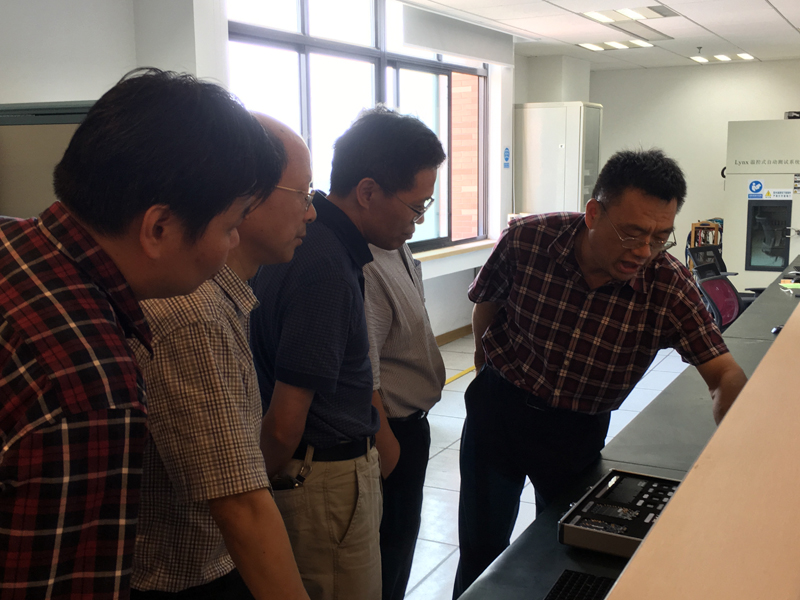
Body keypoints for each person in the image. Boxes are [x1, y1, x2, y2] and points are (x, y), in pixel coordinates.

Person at [0, 68, 279, 599]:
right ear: (159, 228)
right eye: (230, 226)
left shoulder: (13, 244)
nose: (233, 243)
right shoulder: (89, 384)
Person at [453, 148, 749, 597]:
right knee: (481, 547)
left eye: (660, 237)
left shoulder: (667, 284)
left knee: (561, 554)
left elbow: (723, 372)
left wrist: (738, 442)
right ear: (594, 213)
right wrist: (484, 367)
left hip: (575, 431)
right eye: (632, 233)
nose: (644, 251)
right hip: (499, 409)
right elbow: (487, 306)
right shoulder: (529, 239)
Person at [250, 106, 446, 600]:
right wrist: (254, 495)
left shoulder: (311, 244)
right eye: (415, 207)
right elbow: (285, 422)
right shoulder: (325, 266)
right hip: (323, 482)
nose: (419, 221)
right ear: (367, 192)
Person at [129, 115, 314, 600]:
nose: (312, 212)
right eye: (303, 195)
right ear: (245, 199)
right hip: (185, 582)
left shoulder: (223, 298)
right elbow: (239, 506)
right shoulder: (193, 312)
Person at [364, 242, 446, 600]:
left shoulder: (396, 242)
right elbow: (363, 374)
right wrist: (389, 449)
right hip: (389, 430)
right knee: (388, 552)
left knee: (401, 544)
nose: (417, 221)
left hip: (412, 425)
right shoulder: (364, 263)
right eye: (413, 213)